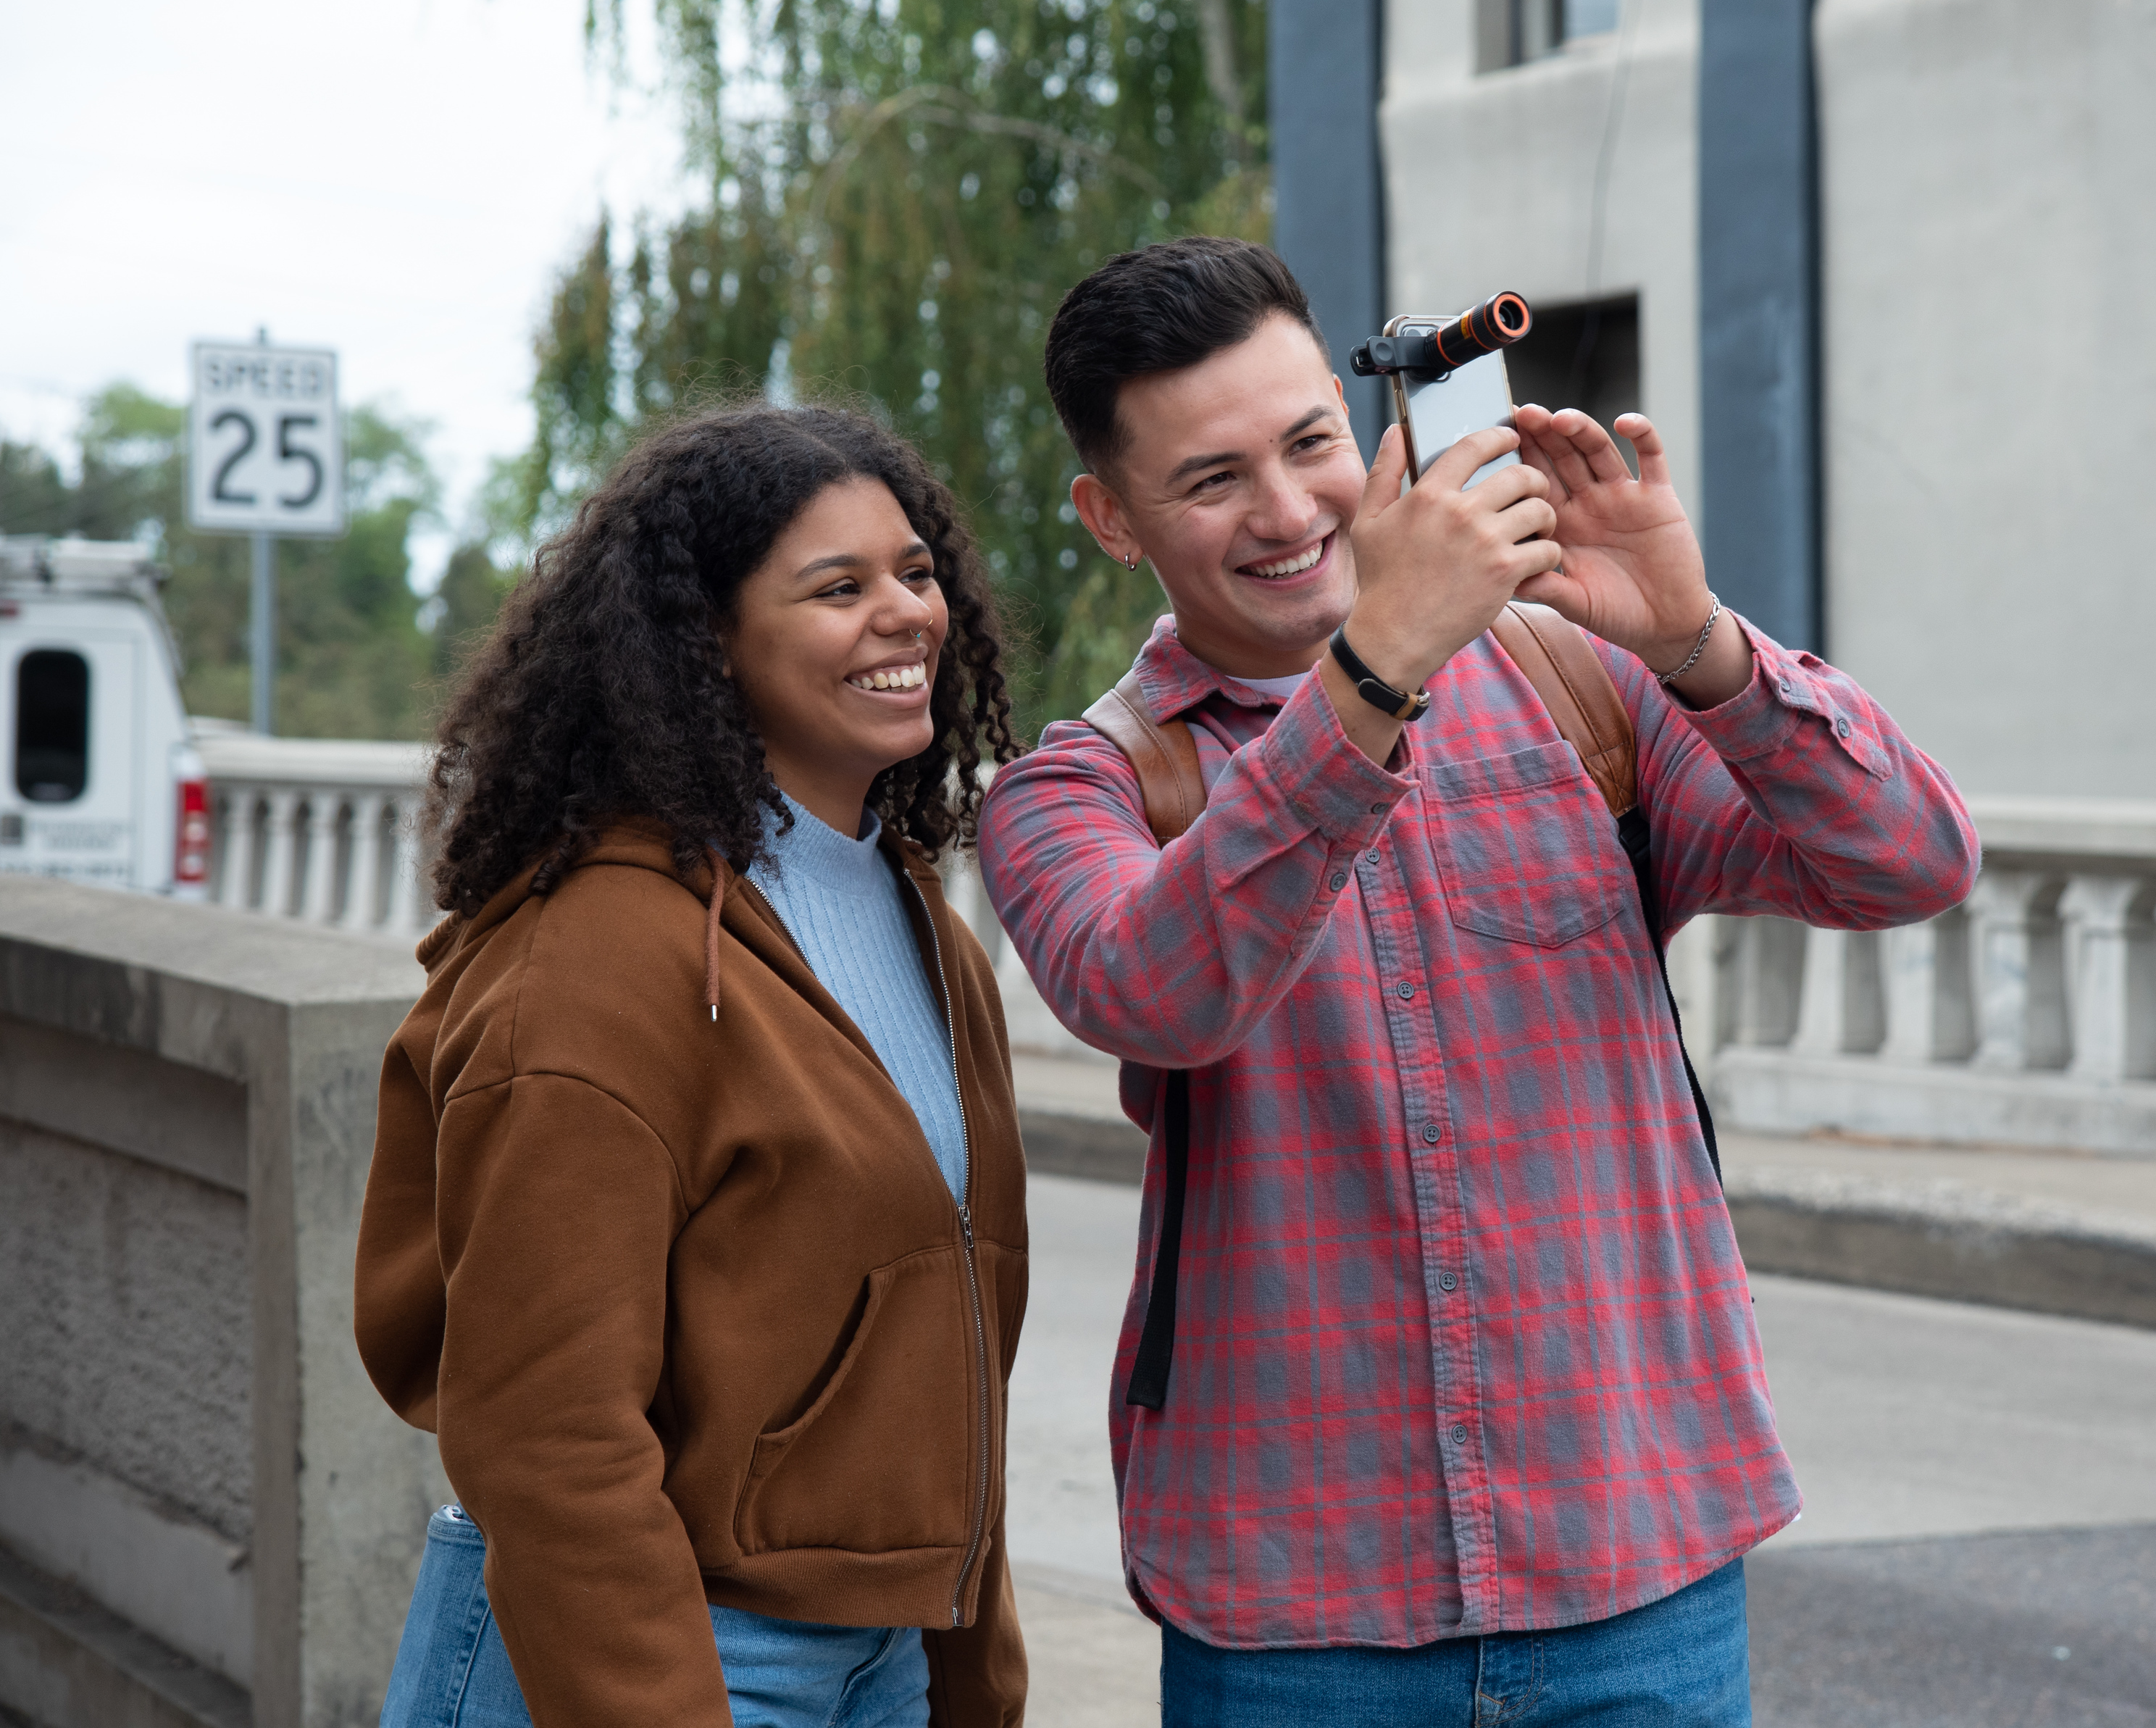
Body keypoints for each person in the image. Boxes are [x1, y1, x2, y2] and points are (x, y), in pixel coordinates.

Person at [977, 236, 1980, 1724]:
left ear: (1357, 413)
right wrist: (1375, 672)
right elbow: (1158, 992)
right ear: (1110, 517)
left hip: (1639, 1569)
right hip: (1295, 1614)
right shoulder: (1076, 790)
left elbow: (1913, 861)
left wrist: (1698, 641)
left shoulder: (1585, 681)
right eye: (1211, 480)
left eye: (1312, 441)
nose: (1288, 509)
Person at [356, 403, 1029, 1728]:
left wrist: (972, 1681)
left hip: (879, 1666)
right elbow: (549, 1437)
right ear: (707, 648)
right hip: (644, 1663)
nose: (906, 615)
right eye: (837, 589)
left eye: (914, 570)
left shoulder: (922, 927)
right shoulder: (598, 960)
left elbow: (946, 1350)